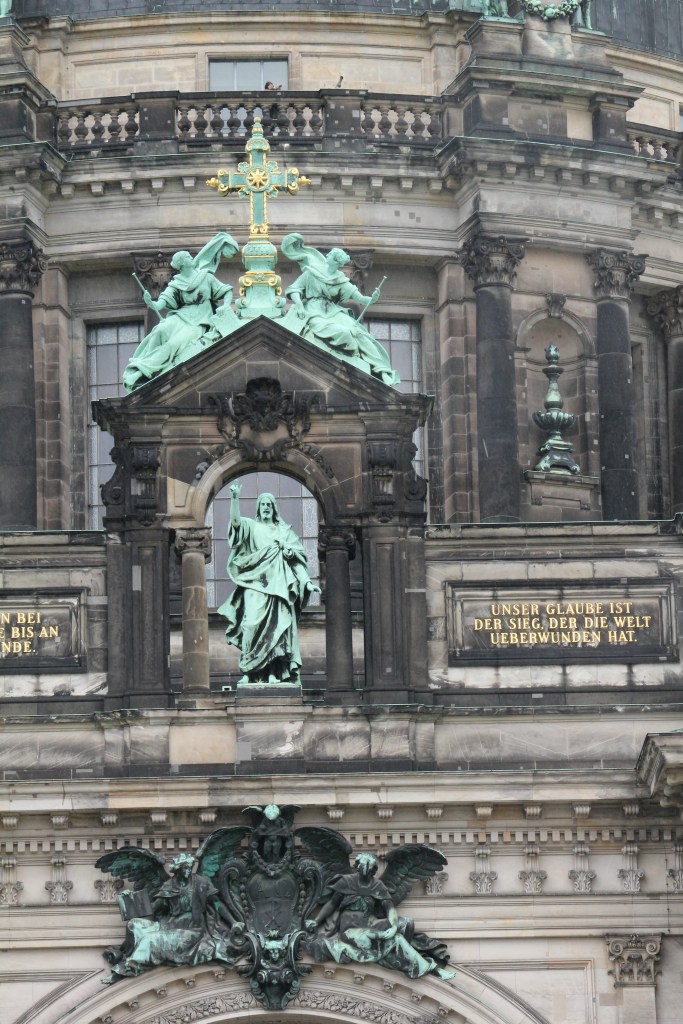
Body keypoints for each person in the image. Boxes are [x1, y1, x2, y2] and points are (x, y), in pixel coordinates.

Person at [218, 482, 320, 685]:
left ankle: (274, 672)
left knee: (278, 629)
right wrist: (235, 498)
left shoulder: (284, 533)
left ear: (274, 509)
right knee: (250, 624)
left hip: (279, 588)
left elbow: (296, 561)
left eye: (269, 504)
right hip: (254, 583)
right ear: (258, 508)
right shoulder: (251, 526)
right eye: (262, 504)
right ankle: (249, 671)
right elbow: (236, 523)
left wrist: (307, 582)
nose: (265, 507)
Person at [123, 232, 240, 391]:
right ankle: (141, 368)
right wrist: (150, 302)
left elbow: (225, 291)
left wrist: (226, 306)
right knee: (160, 330)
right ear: (182, 263)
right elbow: (160, 304)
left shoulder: (205, 277)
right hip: (182, 316)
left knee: (173, 343)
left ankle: (146, 372)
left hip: (201, 321)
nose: (192, 258)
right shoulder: (176, 283)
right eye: (188, 257)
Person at [311, 852, 454, 980]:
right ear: (358, 867)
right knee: (368, 941)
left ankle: (432, 969)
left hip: (369, 923)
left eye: (369, 868)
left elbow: (390, 909)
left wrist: (392, 927)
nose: (365, 871)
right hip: (350, 928)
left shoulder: (377, 886)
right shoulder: (347, 882)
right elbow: (331, 904)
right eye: (363, 866)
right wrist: (316, 921)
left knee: (403, 927)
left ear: (373, 870)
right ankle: (395, 951)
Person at [281, 233, 400, 386]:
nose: (327, 255)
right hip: (312, 312)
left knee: (360, 334)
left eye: (330, 255)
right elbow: (294, 290)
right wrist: (298, 304)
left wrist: (373, 298)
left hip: (332, 312)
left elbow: (362, 299)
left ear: (334, 261)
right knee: (344, 333)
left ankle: (383, 371)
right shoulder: (312, 273)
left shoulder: (342, 282)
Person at [102, 853, 235, 983]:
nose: (188, 870)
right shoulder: (169, 885)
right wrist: (129, 898)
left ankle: (126, 968)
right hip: (169, 926)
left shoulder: (201, 883)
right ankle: (126, 955)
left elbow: (217, 904)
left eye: (190, 867)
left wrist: (233, 923)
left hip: (190, 930)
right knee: (134, 925)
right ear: (177, 869)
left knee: (149, 940)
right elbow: (153, 908)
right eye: (185, 868)